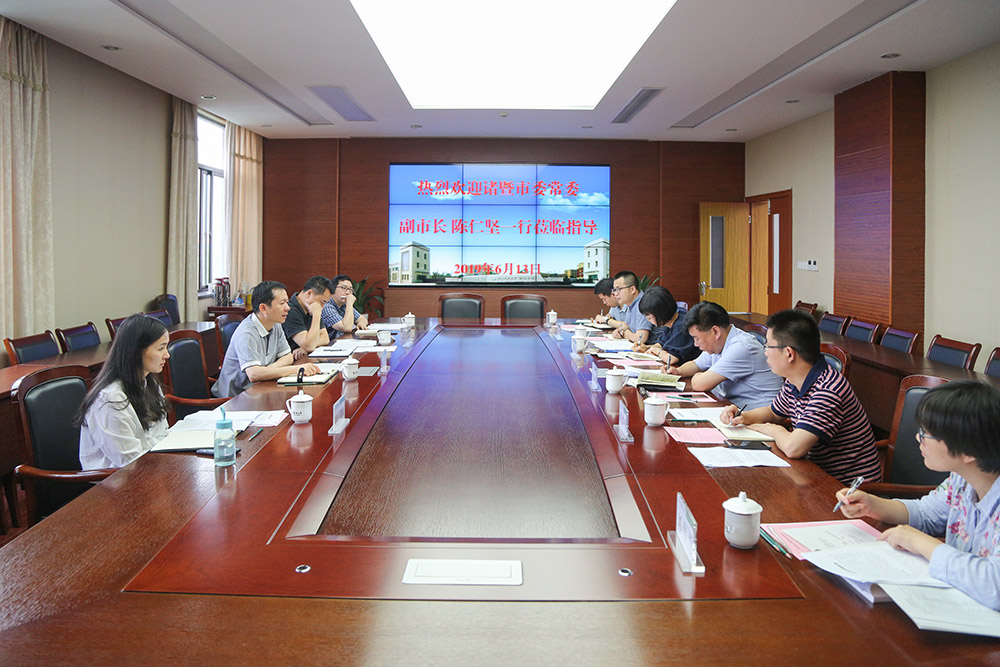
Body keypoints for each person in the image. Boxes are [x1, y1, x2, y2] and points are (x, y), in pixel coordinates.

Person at [835, 381, 1000, 610]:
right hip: (961, 601)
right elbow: (926, 513)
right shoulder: (961, 479)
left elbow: (994, 585)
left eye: (926, 433)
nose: (918, 438)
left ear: (969, 450)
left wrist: (922, 543)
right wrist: (871, 505)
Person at [721, 309, 881, 484]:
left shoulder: (828, 390)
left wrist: (773, 430)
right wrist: (743, 417)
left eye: (768, 346)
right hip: (813, 474)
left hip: (848, 490)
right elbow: (773, 412)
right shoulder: (795, 380)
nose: (765, 352)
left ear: (789, 353)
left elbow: (793, 448)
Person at [77, 313, 170, 468]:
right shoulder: (110, 399)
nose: (167, 355)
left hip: (150, 467)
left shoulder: (149, 382)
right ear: (136, 351)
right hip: (116, 479)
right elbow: (129, 461)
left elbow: (161, 433)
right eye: (161, 348)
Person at [212, 280, 321, 398]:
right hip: (236, 398)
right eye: (282, 303)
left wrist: (266, 370)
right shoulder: (247, 333)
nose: (288, 308)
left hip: (261, 390)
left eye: (287, 302)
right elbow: (254, 374)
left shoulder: (275, 324)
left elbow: (288, 356)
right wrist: (295, 369)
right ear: (263, 308)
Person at [666, 301, 783, 409]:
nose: (695, 344)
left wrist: (698, 376)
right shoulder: (719, 343)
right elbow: (696, 364)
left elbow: (699, 384)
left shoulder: (741, 347)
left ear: (715, 331)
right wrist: (679, 371)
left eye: (697, 338)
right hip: (734, 408)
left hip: (759, 415)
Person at [633, 286, 698, 364]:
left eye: (649, 317)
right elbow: (660, 344)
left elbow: (672, 358)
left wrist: (657, 351)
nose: (649, 320)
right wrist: (646, 348)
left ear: (660, 313)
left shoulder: (681, 326)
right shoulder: (671, 323)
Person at [283, 275, 334, 355]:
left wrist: (307, 346)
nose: (322, 307)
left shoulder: (311, 309)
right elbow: (309, 346)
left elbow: (325, 338)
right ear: (309, 293)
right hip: (289, 360)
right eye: (322, 302)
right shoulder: (290, 310)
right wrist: (316, 315)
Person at [608, 270, 652, 344]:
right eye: (614, 290)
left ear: (632, 289)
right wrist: (619, 331)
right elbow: (627, 328)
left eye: (619, 289)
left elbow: (640, 338)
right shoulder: (630, 304)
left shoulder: (643, 303)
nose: (615, 294)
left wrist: (625, 333)